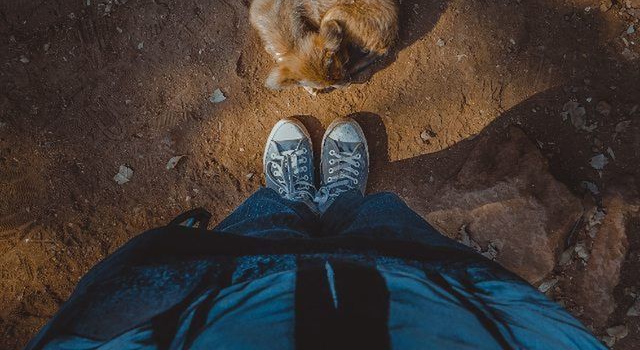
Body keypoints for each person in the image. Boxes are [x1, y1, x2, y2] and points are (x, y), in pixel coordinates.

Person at [27, 117, 605, 350]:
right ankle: (343, 203)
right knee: (388, 230)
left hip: (224, 310)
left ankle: (291, 203)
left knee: (258, 234)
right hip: (430, 310)